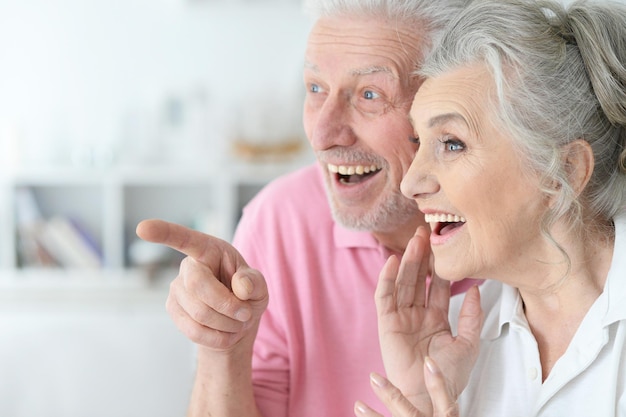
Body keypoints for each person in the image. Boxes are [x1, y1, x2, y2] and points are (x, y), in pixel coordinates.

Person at [136, 1, 483, 416]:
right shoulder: (279, 223)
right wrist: (222, 347)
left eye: (370, 95)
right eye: (316, 88)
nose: (321, 135)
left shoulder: (514, 233)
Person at [350, 0, 626, 416]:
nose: (411, 184)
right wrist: (423, 400)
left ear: (563, 172)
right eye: (418, 143)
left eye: (452, 143)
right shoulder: (452, 346)